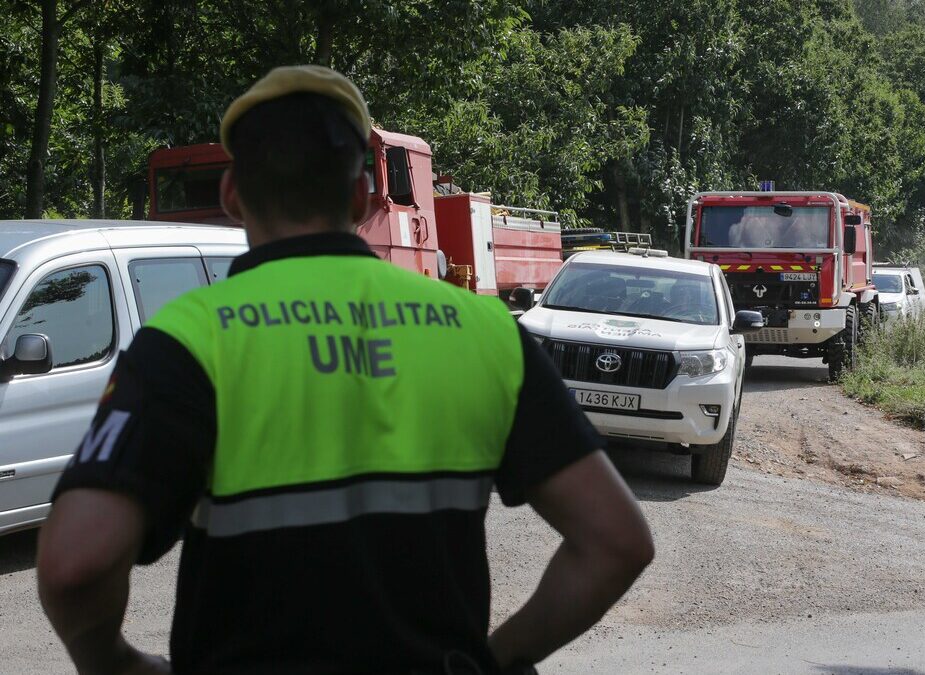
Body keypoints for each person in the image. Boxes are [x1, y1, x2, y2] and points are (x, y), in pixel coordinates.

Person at [36, 65, 653, 675]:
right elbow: (616, 543)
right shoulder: (487, 333)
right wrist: (495, 658)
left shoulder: (187, 340)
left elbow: (74, 566)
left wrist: (113, 663)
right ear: (361, 195)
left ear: (231, 196)